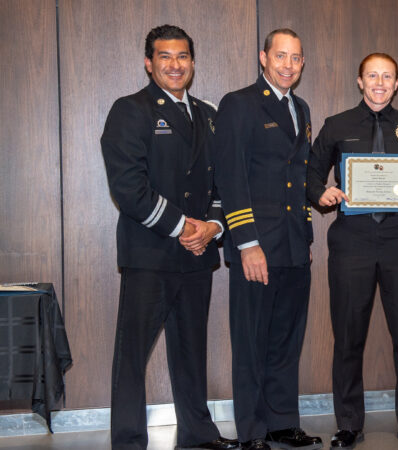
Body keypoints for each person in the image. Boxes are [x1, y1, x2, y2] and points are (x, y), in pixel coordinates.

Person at [100, 24, 237, 450]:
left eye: (182, 57)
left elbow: (224, 184)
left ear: (193, 63)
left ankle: (198, 434)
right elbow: (129, 188)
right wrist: (184, 227)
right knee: (132, 358)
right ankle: (128, 441)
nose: (175, 65)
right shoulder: (130, 110)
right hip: (150, 254)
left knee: (191, 353)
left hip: (198, 255)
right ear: (148, 63)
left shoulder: (210, 115)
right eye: (164, 56)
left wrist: (212, 228)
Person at [306, 53, 398, 450]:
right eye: (372, 76)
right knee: (348, 336)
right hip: (352, 241)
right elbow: (311, 172)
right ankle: (348, 423)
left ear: (397, 84)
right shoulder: (336, 126)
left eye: (387, 77)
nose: (379, 83)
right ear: (359, 81)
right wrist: (320, 192)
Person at [213, 29, 322, 450]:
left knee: (285, 342)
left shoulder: (302, 108)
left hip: (295, 245)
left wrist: (306, 236)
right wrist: (246, 242)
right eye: (281, 56)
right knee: (252, 341)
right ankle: (253, 431)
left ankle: (282, 423)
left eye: (296, 58)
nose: (288, 65)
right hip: (257, 245)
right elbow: (230, 177)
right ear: (263, 58)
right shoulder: (239, 104)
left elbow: (296, 177)